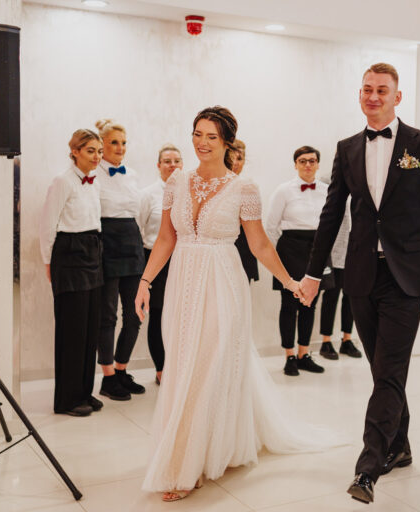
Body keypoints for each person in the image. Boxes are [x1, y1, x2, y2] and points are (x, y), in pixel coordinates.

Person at [135, 106, 337, 502]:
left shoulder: (244, 188)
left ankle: (188, 464)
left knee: (207, 369)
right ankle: (194, 449)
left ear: (227, 142)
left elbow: (259, 243)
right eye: (197, 134)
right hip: (181, 282)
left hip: (223, 283)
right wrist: (145, 282)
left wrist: (290, 282)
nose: (202, 143)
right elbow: (166, 238)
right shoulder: (176, 181)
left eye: (211, 136)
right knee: (182, 368)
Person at [299, 63, 420, 504]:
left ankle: (368, 467)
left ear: (397, 97)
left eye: (382, 91)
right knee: (382, 369)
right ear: (360, 95)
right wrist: (313, 273)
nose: (373, 97)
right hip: (360, 274)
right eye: (367, 90)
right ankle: (400, 446)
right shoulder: (347, 148)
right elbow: (331, 215)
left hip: (406, 275)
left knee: (389, 370)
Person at [39, 129, 105, 417]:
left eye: (99, 151)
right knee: (72, 330)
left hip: (92, 251)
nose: (97, 156)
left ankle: (84, 392)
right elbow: (47, 225)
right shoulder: (62, 181)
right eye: (91, 150)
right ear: (75, 151)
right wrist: (48, 263)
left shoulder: (94, 181)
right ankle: (67, 399)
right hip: (69, 254)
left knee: (90, 328)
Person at [265, 146, 332, 376]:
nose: (308, 165)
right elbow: (271, 227)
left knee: (310, 303)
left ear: (318, 164)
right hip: (290, 249)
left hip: (318, 249)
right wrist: (276, 260)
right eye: (302, 161)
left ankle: (304, 354)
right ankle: (290, 356)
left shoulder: (327, 191)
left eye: (312, 161)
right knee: (289, 304)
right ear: (295, 164)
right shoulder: (283, 191)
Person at [94, 119, 147, 401]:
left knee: (135, 313)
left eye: (124, 143)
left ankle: (122, 369)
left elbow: (137, 212)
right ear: (102, 144)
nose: (120, 148)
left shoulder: (133, 175)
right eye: (114, 142)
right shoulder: (94, 174)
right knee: (108, 314)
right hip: (107, 242)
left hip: (132, 241)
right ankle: (108, 377)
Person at [138, 144, 183, 386]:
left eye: (177, 161)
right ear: (158, 165)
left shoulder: (190, 192)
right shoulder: (147, 195)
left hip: (183, 260)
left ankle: (180, 368)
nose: (172, 165)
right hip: (156, 260)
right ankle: (161, 369)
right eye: (167, 161)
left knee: (181, 316)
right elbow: (139, 229)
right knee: (158, 315)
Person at [318, 203, 362, 360]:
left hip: (355, 254)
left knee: (351, 298)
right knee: (331, 297)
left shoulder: (360, 195)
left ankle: (347, 339)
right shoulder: (333, 192)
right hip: (334, 255)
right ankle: (326, 341)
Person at [230, 140, 259, 282]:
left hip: (243, 247)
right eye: (231, 158)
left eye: (240, 159)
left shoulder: (248, 188)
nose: (235, 163)